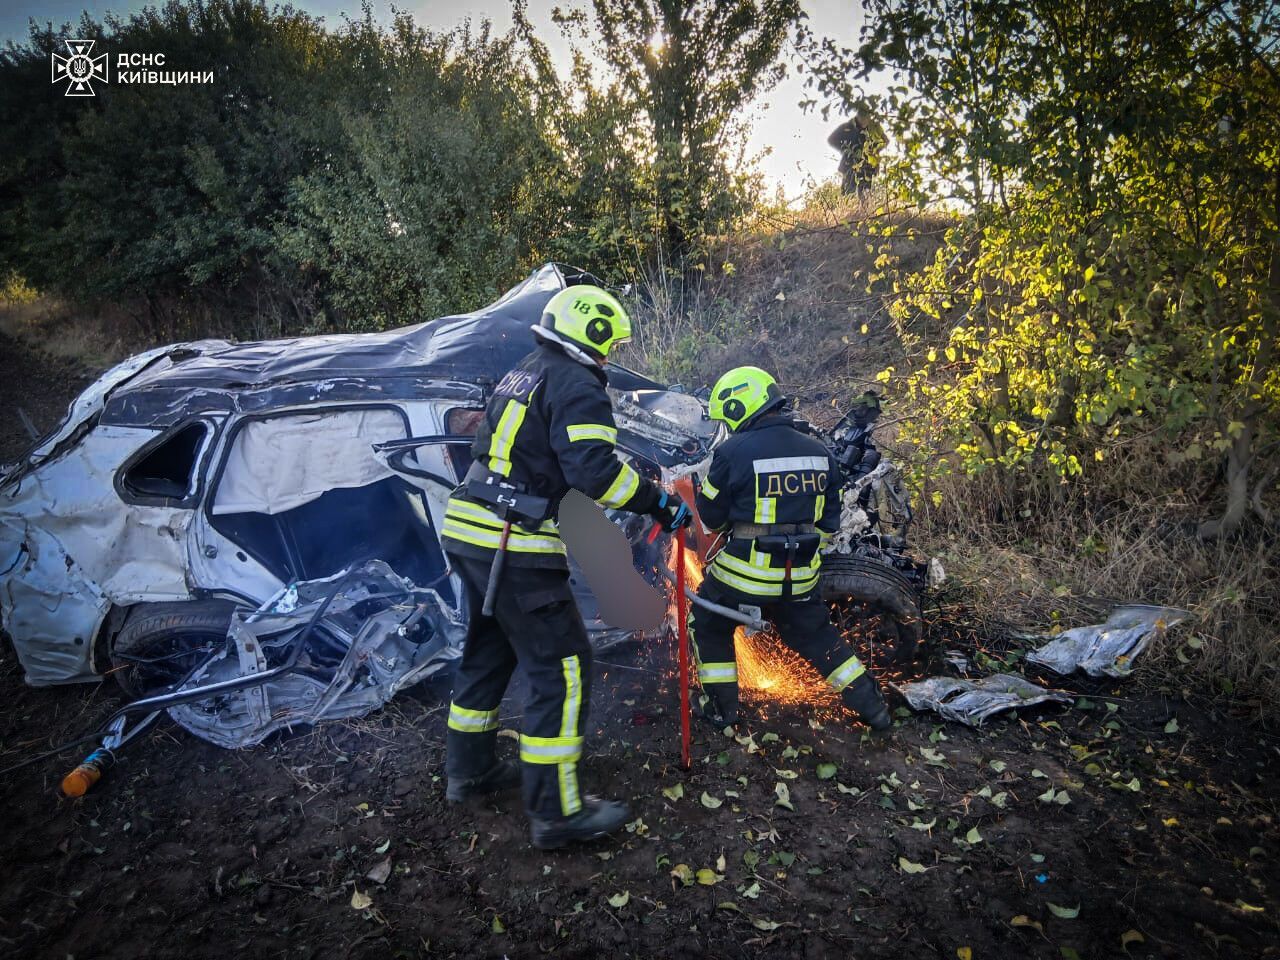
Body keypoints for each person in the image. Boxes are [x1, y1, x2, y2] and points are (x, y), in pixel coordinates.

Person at [440, 283, 691, 850]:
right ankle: (557, 813)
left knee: (488, 650)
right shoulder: (579, 381)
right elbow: (593, 470)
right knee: (565, 667)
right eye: (609, 343)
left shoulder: (527, 368)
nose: (610, 356)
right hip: (513, 540)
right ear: (592, 332)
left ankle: (470, 772)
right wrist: (657, 500)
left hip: (470, 527)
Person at [690, 366, 891, 731]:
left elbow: (710, 516)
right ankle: (874, 710)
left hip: (743, 575)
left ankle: (721, 710)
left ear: (739, 408)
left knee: (708, 621)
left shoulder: (732, 452)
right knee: (817, 637)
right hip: (799, 575)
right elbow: (830, 523)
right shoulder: (820, 453)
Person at [827, 111, 884, 196]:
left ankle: (863, 208)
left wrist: (875, 152)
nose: (864, 120)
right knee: (849, 194)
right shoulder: (847, 127)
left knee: (865, 196)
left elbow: (885, 141)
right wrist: (845, 149)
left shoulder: (873, 129)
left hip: (867, 167)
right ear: (858, 116)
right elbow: (831, 139)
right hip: (850, 165)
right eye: (862, 117)